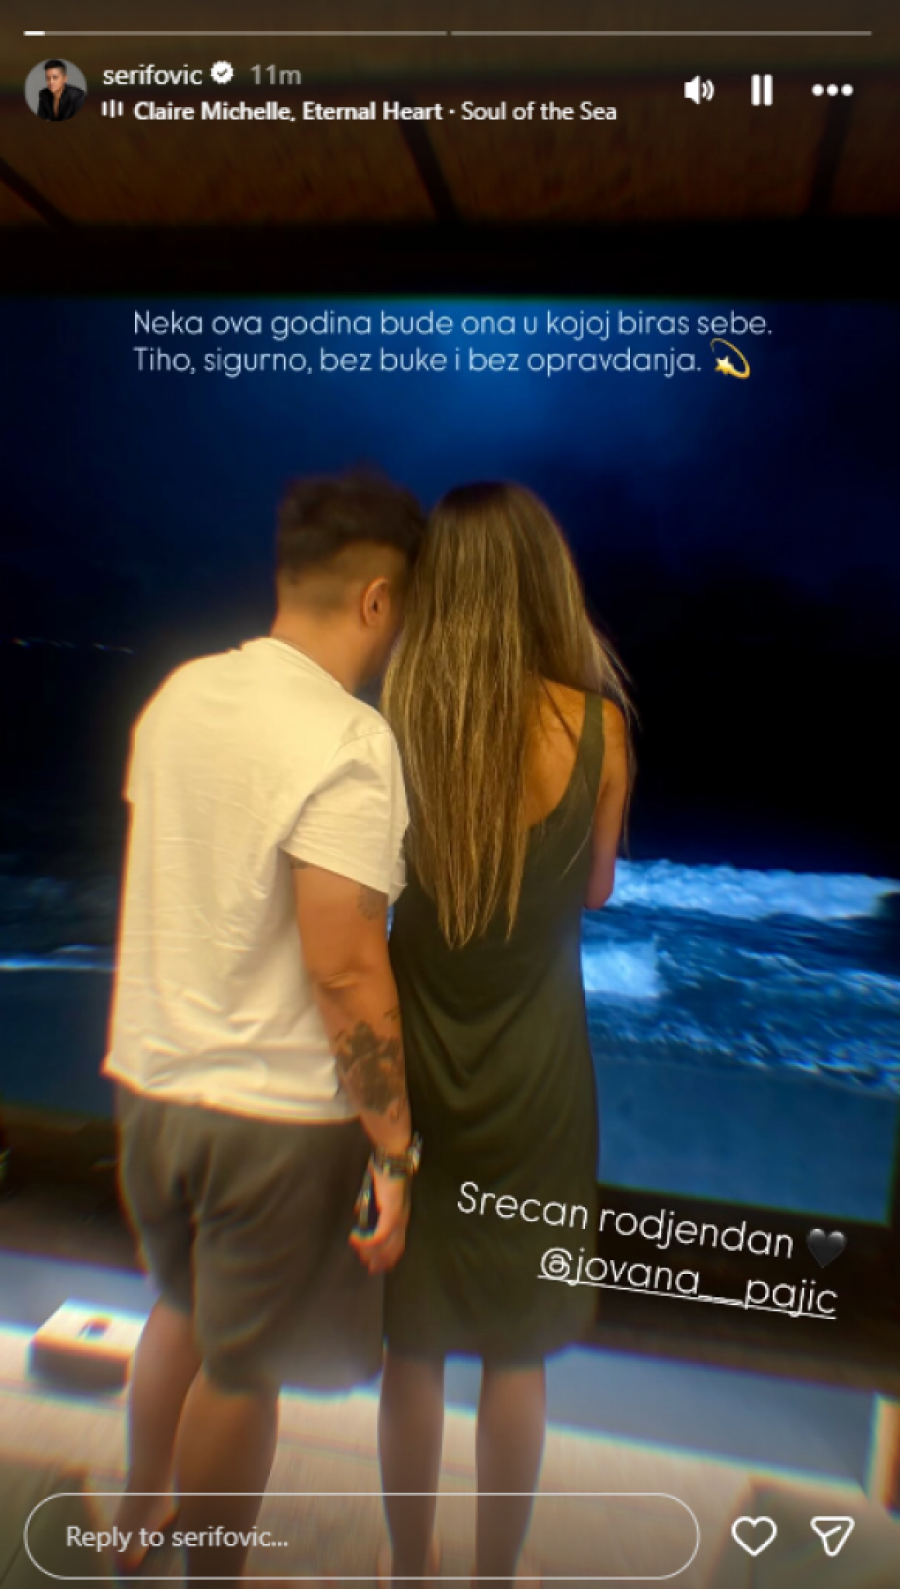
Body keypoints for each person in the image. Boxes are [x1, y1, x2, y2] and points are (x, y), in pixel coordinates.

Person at [103, 472, 425, 1585]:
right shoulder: (348, 740)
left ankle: (139, 1509)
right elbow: (345, 964)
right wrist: (394, 1145)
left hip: (150, 1083)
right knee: (242, 1370)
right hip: (270, 1118)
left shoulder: (179, 696)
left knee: (182, 1307)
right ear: (378, 600)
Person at [377, 482, 633, 1588]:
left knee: (413, 1341)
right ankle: (493, 1573)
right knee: (516, 1350)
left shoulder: (398, 717)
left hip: (417, 1060)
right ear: (545, 579)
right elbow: (597, 890)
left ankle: (408, 1563)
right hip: (538, 1069)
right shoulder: (600, 727)